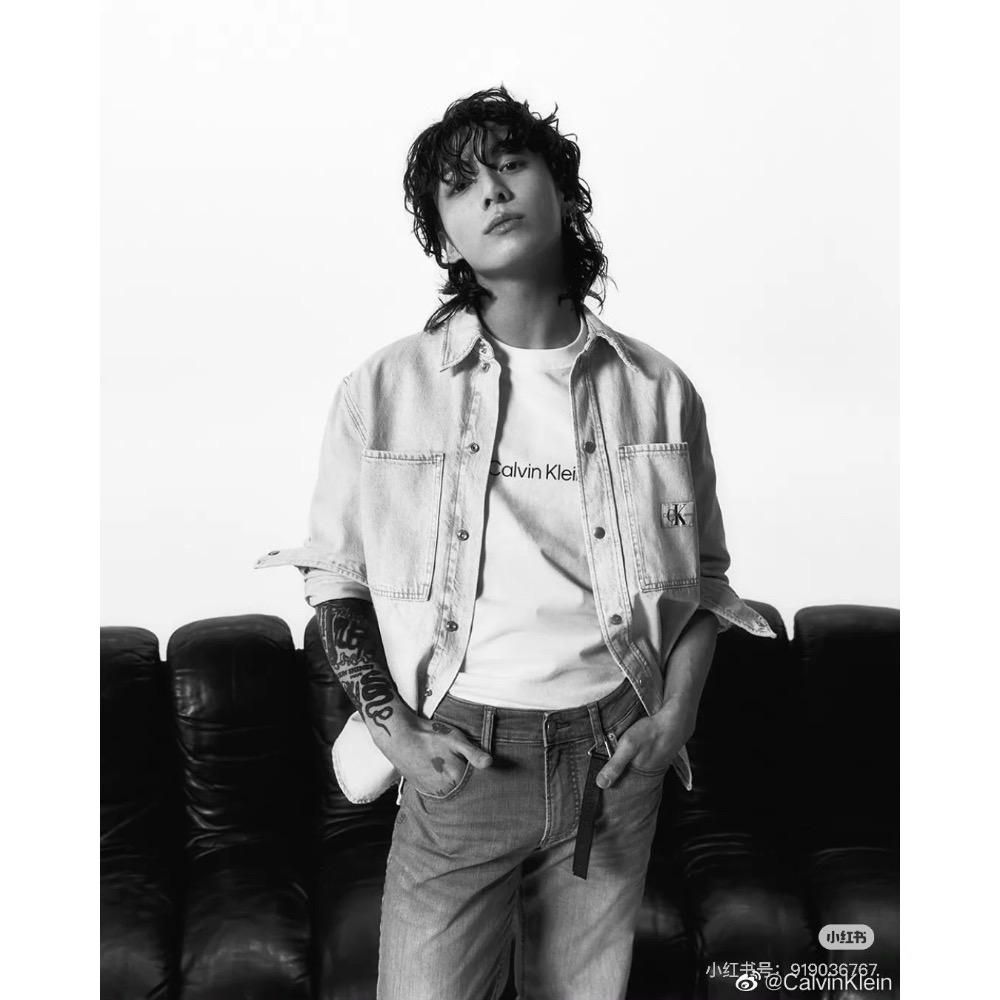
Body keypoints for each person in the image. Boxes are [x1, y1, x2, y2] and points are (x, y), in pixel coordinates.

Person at [257, 85, 776, 1000]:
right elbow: (337, 581)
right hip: (462, 757)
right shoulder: (383, 390)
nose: (493, 191)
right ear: (444, 238)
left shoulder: (659, 391)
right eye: (461, 185)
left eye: (511, 165)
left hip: (616, 759)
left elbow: (704, 581)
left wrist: (676, 719)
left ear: (561, 192)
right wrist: (398, 734)